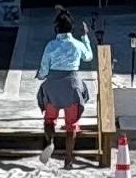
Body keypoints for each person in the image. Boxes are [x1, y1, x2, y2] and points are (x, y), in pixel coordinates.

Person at [35, 17, 95, 164]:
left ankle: (50, 142)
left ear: (56, 29)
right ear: (71, 29)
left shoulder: (51, 45)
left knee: (49, 120)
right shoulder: (77, 44)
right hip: (72, 87)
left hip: (53, 87)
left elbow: (44, 68)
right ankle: (68, 159)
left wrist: (41, 75)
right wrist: (85, 37)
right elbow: (88, 57)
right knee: (71, 124)